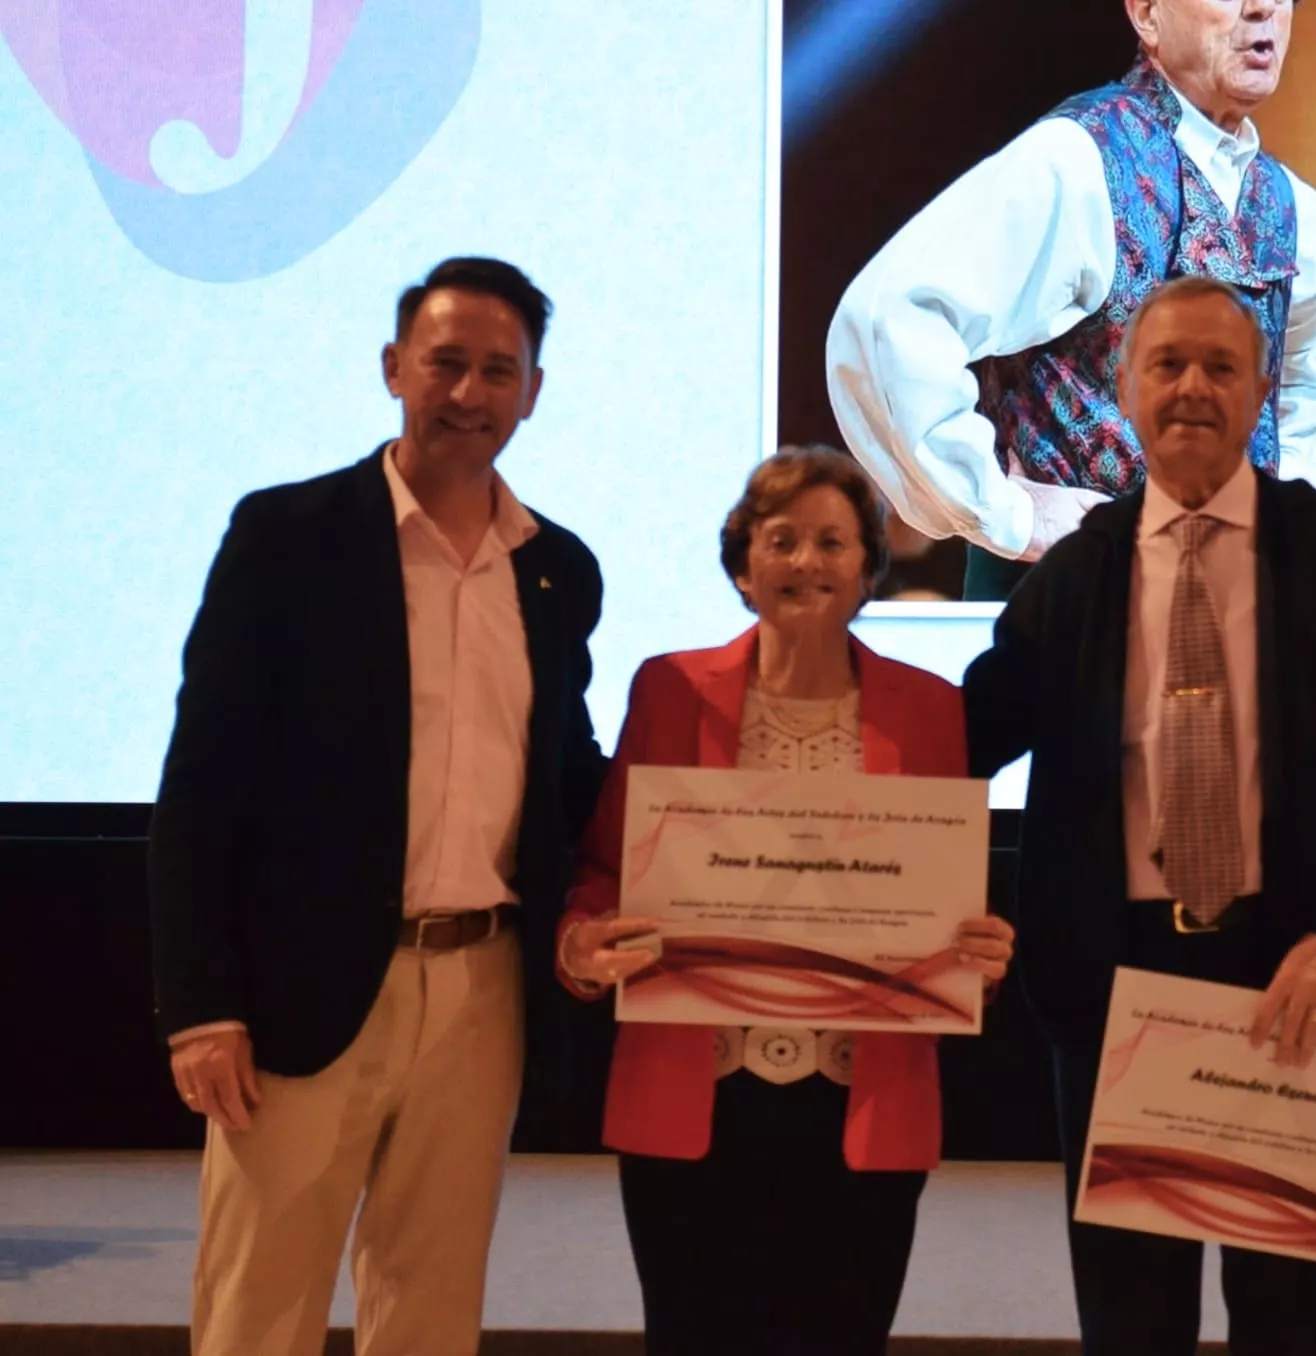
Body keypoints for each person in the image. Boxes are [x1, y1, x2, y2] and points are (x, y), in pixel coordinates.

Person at [965, 275, 1316, 1354]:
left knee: (1292, 1323)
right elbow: (954, 741)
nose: (1191, 388)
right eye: (1167, 365)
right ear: (1122, 387)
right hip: (1116, 994)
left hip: (1299, 990)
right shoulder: (1072, 574)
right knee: (1130, 1326)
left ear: (1261, 389)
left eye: (1220, 368)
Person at [148, 257, 607, 1356]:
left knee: (432, 1306)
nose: (469, 393)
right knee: (260, 1309)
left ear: (533, 390)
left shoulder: (558, 571)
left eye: (499, 370)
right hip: (298, 997)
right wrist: (199, 1004)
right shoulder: (286, 537)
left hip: (484, 991)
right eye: (446, 363)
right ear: (393, 367)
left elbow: (568, 772)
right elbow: (202, 783)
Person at [555, 447, 1017, 1356]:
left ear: (867, 568)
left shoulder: (930, 709)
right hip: (694, 1099)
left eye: (833, 543)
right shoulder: (670, 688)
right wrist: (580, 944)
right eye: (782, 540)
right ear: (742, 565)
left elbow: (944, 906)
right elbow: (602, 874)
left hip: (861, 1106)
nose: (807, 562)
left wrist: (979, 960)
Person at [829, 0, 1316, 600]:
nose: (1263, 9)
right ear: (1148, 13)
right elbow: (891, 317)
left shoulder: (1284, 203)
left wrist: (1261, 500)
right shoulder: (1077, 160)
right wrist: (1008, 512)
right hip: (1066, 605)